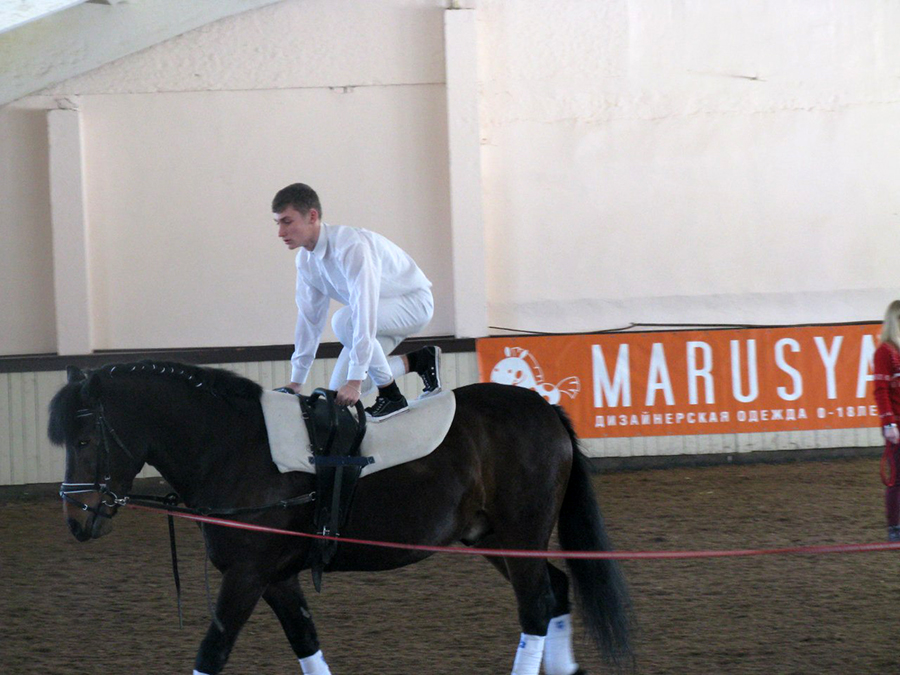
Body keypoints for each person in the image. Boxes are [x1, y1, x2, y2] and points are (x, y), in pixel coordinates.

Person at [272, 182, 441, 419]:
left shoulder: (350, 246)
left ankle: (391, 395)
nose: (280, 232)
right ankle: (418, 361)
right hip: (378, 314)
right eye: (277, 223)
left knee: (344, 321)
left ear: (312, 216)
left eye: (287, 222)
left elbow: (364, 309)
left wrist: (355, 380)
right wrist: (296, 382)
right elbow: (310, 320)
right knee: (336, 396)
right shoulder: (306, 262)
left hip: (413, 303)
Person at [873, 299, 900, 541]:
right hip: (897, 425)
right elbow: (880, 390)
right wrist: (889, 423)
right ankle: (895, 527)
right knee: (897, 479)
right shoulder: (885, 352)